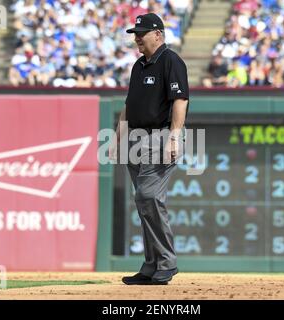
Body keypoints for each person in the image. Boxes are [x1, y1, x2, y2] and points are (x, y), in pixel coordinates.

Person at [109, 13, 189, 285]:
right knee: (143, 202)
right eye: (135, 33)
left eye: (142, 33)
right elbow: (128, 107)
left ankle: (166, 262)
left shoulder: (171, 61)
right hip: (136, 137)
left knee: (149, 196)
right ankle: (151, 265)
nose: (137, 38)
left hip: (162, 135)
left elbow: (180, 100)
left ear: (158, 34)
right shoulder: (138, 66)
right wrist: (116, 139)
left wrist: (175, 137)